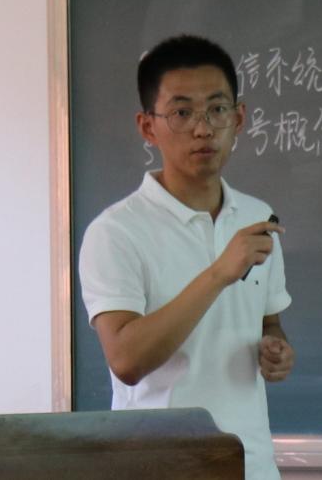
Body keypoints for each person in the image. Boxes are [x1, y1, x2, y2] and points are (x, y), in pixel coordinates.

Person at [79, 34, 294, 480]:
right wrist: (218, 274)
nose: (203, 128)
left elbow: (268, 320)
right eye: (181, 113)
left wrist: (276, 348)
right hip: (158, 467)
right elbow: (126, 360)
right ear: (147, 127)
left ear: (239, 118)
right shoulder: (115, 232)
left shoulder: (256, 216)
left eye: (217, 109)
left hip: (250, 465)